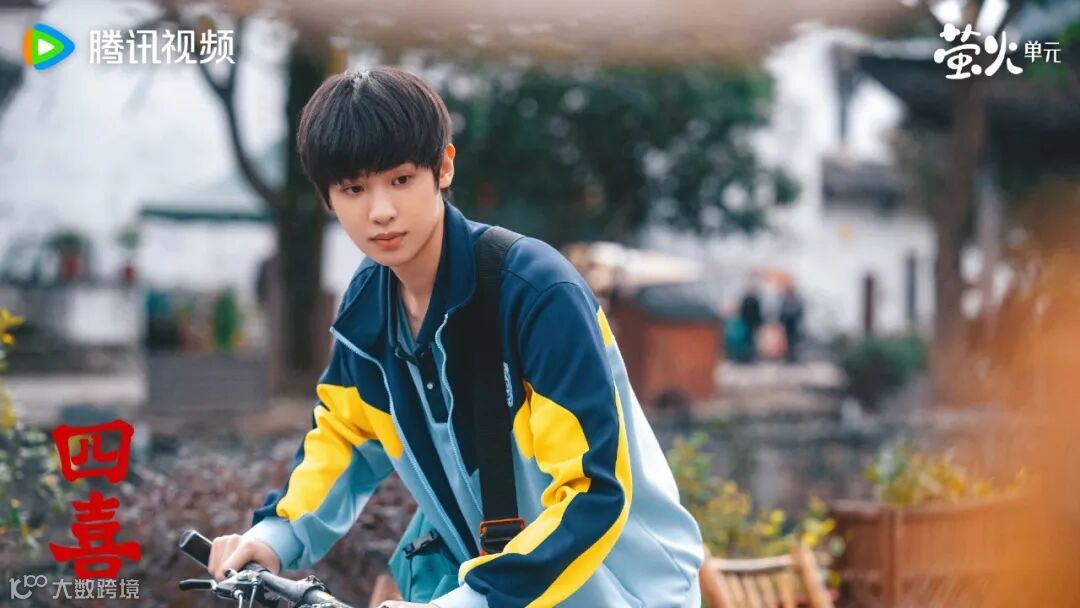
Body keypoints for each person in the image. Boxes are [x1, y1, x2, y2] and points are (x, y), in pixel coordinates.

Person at [205, 67, 703, 608]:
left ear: (443, 167)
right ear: (329, 197)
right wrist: (272, 538)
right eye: (353, 189)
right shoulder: (369, 308)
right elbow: (344, 439)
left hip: (630, 594)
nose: (380, 211)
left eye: (400, 180)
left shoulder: (536, 292)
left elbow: (593, 492)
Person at [778, 284, 804, 364]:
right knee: (787, 341)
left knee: (794, 340)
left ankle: (794, 356)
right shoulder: (785, 299)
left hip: (794, 323)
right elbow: (782, 311)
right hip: (787, 324)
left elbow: (800, 310)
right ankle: (788, 356)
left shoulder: (796, 299)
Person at [738, 285, 763, 362]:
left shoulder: (755, 300)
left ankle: (751, 356)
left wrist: (759, 323)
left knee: (752, 340)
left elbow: (758, 312)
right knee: (745, 340)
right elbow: (742, 311)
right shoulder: (746, 300)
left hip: (753, 323)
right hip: (746, 323)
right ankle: (744, 356)